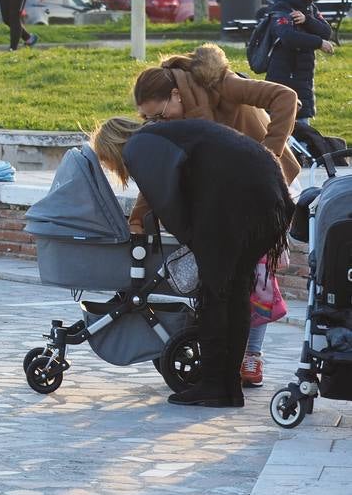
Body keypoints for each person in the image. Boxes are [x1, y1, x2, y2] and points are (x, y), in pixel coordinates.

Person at [91, 117, 292, 408]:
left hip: (240, 201)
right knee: (235, 291)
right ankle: (229, 388)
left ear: (112, 149)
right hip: (272, 195)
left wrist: (196, 245)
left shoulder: (137, 148)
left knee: (213, 294)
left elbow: (168, 204)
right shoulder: (165, 135)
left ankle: (214, 386)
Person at [131, 43, 300, 388]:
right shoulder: (175, 120)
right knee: (232, 284)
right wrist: (137, 219)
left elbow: (285, 97)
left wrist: (267, 155)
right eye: (147, 120)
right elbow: (160, 170)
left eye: (159, 116)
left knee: (257, 277)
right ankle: (224, 372)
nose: (156, 124)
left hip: (264, 190)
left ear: (176, 95)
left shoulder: (219, 84)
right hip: (229, 197)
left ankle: (251, 356)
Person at [264, 0, 335, 121]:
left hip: (303, 78)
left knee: (304, 133)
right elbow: (288, 36)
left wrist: (307, 20)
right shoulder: (281, 7)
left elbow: (326, 31)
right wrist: (319, 43)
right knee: (285, 133)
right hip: (284, 77)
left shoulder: (309, 6)